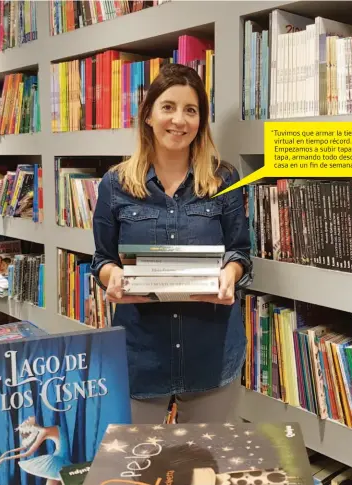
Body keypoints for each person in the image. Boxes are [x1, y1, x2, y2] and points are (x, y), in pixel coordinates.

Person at [91, 63, 252, 424]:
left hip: (210, 355)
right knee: (138, 470)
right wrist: (112, 276)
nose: (179, 120)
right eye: (168, 107)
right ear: (148, 115)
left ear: (201, 122)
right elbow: (101, 259)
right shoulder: (114, 184)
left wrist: (231, 273)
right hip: (141, 357)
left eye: (190, 110)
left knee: (206, 470)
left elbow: (240, 251)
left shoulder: (224, 178)